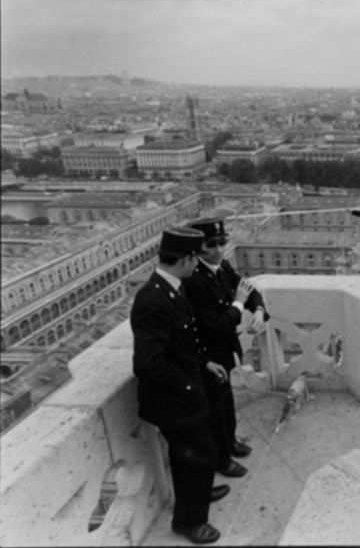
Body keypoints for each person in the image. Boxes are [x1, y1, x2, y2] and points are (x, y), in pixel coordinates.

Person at [131, 227, 230, 544]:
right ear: (186, 259)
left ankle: (198, 492)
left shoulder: (171, 288)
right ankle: (189, 522)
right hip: (172, 400)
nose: (198, 263)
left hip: (182, 393)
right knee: (202, 453)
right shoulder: (153, 299)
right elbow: (147, 363)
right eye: (196, 258)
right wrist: (188, 385)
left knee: (188, 455)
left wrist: (204, 363)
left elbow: (183, 342)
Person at [184, 218, 268, 481]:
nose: (219, 249)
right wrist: (239, 304)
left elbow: (248, 289)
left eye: (222, 242)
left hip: (223, 350)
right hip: (207, 355)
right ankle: (221, 459)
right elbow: (215, 325)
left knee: (226, 402)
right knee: (215, 410)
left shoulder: (222, 266)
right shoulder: (194, 280)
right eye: (211, 245)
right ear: (198, 247)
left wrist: (259, 310)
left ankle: (230, 443)